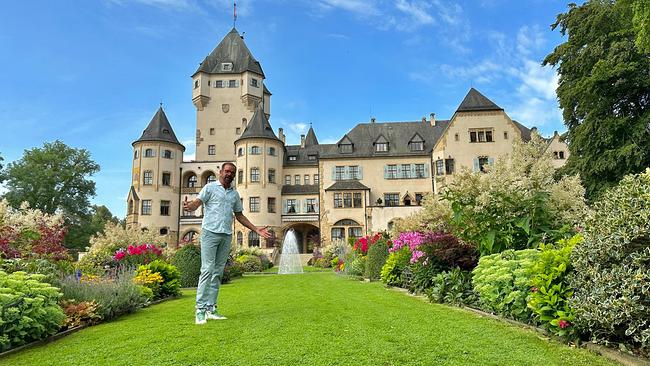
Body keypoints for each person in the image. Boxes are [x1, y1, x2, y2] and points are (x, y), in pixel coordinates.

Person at [183, 162, 271, 325]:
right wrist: (190, 206)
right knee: (207, 270)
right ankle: (200, 310)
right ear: (221, 172)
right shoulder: (209, 188)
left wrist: (256, 229)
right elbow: (197, 202)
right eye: (227, 171)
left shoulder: (234, 194)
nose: (229, 174)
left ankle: (211, 308)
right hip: (210, 233)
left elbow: (239, 216)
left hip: (226, 235)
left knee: (217, 273)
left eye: (233, 172)